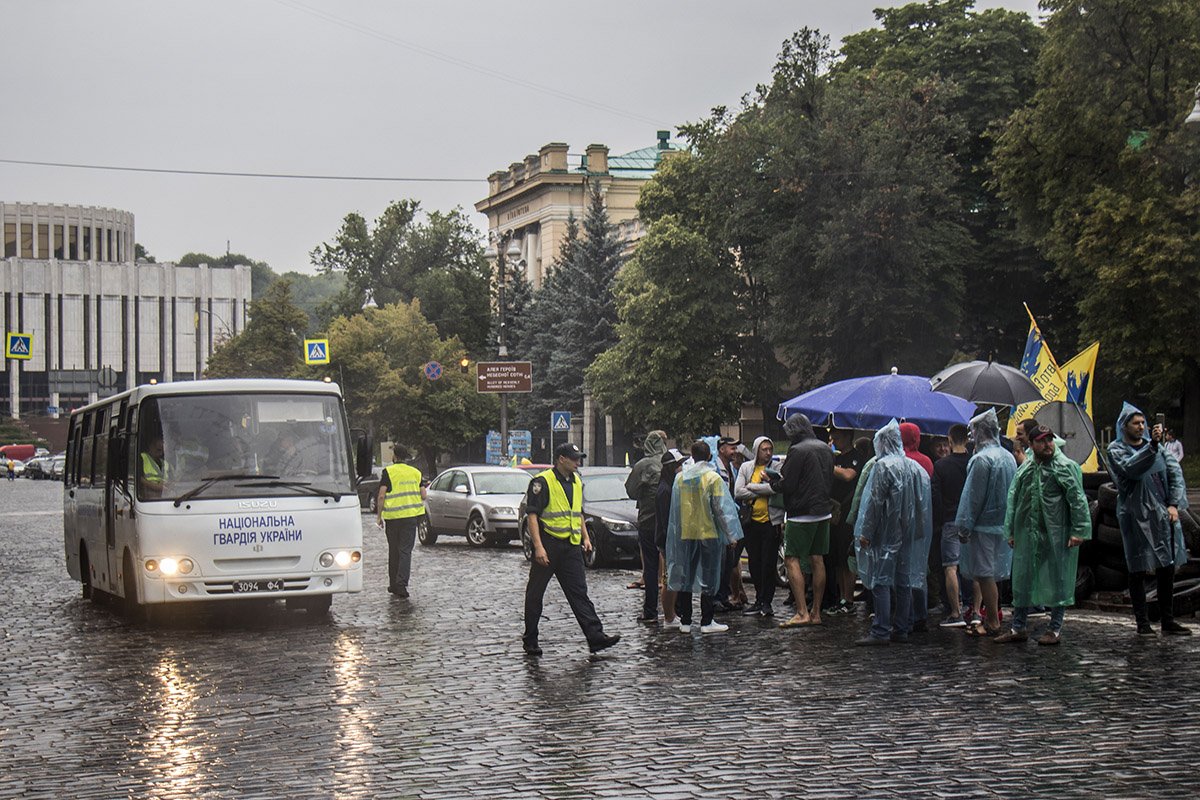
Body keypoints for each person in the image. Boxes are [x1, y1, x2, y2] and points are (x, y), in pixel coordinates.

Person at [996, 426, 1091, 645]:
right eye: (1041, 441)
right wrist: (1010, 530)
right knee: (1023, 578)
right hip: (1028, 534)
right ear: (1031, 444)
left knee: (1058, 578)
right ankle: (1018, 627)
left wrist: (1079, 531)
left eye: (1049, 440)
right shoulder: (1027, 467)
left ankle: (1054, 628)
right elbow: (1014, 499)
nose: (1047, 444)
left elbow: (1078, 500)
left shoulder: (1065, 467)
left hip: (1057, 535)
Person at [523, 443, 620, 655]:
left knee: (579, 594)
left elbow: (577, 513)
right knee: (535, 594)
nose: (578, 462)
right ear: (561, 459)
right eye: (574, 458)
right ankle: (530, 639)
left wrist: (585, 537)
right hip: (548, 544)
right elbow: (532, 516)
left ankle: (595, 637)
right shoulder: (542, 482)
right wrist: (538, 547)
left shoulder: (576, 481)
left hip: (570, 546)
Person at [1108, 403, 1191, 636]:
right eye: (1136, 423)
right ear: (1124, 426)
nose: (1141, 426)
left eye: (1143, 422)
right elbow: (1131, 469)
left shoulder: (1158, 449)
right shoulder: (1116, 450)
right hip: (1135, 515)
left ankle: (1167, 620)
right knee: (1137, 568)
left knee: (1167, 566)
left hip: (1163, 515)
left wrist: (1173, 503)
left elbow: (1174, 473)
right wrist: (1153, 446)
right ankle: (1142, 622)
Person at [853, 420, 932, 645]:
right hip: (907, 531)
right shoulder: (912, 466)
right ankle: (902, 628)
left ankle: (881, 629)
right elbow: (921, 502)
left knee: (881, 580)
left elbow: (875, 502)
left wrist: (866, 532)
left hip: (886, 532)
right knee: (903, 580)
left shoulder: (883, 466)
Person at [666, 440, 743, 633]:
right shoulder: (712, 478)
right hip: (708, 533)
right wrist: (730, 535)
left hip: (686, 533)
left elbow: (675, 509)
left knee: (686, 577)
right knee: (709, 577)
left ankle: (685, 621)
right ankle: (707, 621)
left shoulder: (681, 478)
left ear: (692, 456)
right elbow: (720, 509)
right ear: (710, 456)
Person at [956, 409, 1018, 637]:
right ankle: (992, 616)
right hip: (1002, 524)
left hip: (982, 526)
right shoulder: (1007, 456)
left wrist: (964, 526)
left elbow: (972, 497)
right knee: (991, 572)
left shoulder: (981, 460)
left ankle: (992, 619)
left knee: (984, 573)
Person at [774, 413, 834, 628]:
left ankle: (802, 611)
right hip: (823, 511)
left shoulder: (797, 450)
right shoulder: (825, 448)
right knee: (817, 559)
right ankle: (816, 612)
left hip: (801, 512)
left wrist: (773, 482)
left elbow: (788, 484)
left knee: (791, 559)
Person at [735, 436, 784, 617]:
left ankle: (767, 601)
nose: (768, 452)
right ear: (756, 450)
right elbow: (739, 492)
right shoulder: (746, 467)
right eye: (764, 449)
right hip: (751, 522)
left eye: (770, 449)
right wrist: (762, 487)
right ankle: (758, 598)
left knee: (768, 563)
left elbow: (776, 488)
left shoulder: (776, 467)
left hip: (771, 522)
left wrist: (753, 487)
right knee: (754, 562)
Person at [625, 430, 668, 622]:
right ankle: (679, 611)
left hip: (649, 520)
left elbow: (631, 491)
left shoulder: (643, 465)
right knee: (674, 565)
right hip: (670, 520)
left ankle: (650, 611)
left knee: (650, 567)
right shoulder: (671, 461)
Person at [931, 423, 971, 627]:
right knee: (972, 567)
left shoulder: (941, 466)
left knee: (950, 568)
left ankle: (955, 611)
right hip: (970, 521)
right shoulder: (974, 462)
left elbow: (936, 498)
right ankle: (974, 608)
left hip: (949, 520)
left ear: (950, 440)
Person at [375, 444, 427, 598]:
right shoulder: (416, 473)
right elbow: (423, 495)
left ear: (395, 456)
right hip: (411, 518)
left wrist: (379, 516)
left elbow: (381, 495)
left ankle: (393, 584)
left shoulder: (388, 472)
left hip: (393, 519)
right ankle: (402, 585)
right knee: (405, 551)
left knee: (394, 551)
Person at [826, 428, 865, 615]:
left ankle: (849, 599)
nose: (835, 441)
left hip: (847, 513)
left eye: (838, 438)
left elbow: (849, 475)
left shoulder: (855, 457)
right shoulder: (836, 457)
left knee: (847, 558)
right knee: (838, 559)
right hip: (834, 513)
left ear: (849, 437)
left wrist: (828, 465)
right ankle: (842, 597)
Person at [657, 449, 687, 628]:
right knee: (670, 579)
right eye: (679, 465)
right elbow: (667, 520)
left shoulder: (671, 487)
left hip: (671, 540)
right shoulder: (665, 491)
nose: (681, 468)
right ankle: (669, 617)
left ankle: (672, 614)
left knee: (673, 578)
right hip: (668, 541)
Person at [713, 436, 742, 611]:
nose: (735, 451)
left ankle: (724, 596)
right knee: (720, 561)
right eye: (731, 448)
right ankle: (716, 598)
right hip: (719, 520)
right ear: (722, 449)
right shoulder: (715, 468)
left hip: (730, 519)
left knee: (729, 561)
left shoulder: (730, 467)